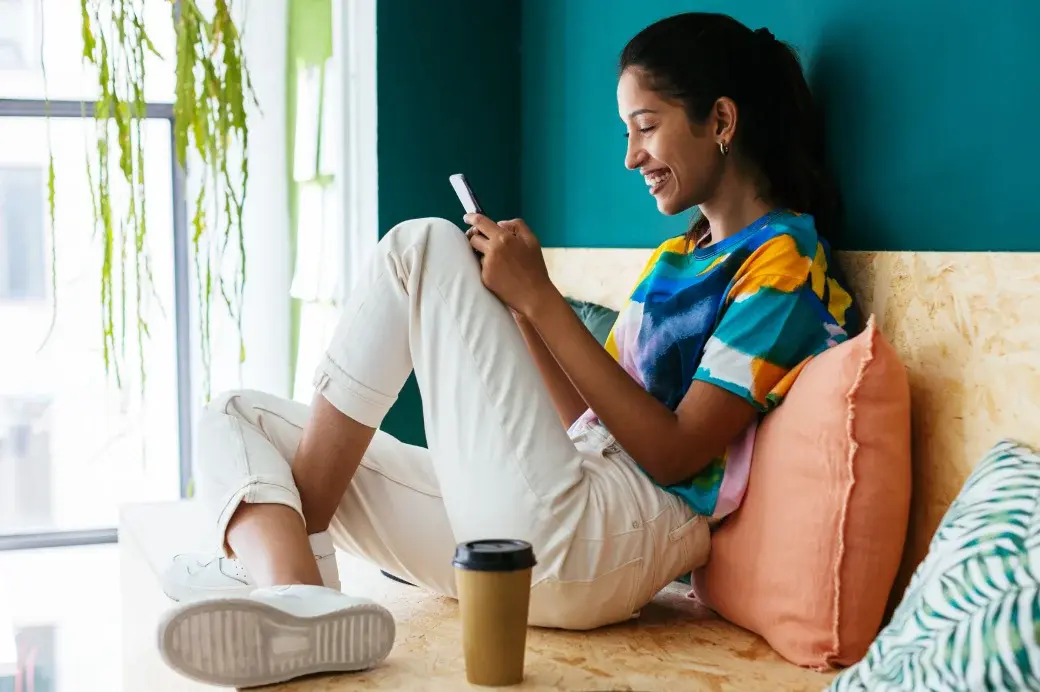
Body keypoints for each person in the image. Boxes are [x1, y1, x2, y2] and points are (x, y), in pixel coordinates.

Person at [156, 11, 861, 689]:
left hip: (619, 535)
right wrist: (525, 307)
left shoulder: (784, 267)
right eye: (627, 131)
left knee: (421, 246)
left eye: (646, 127)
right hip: (563, 505)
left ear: (722, 121)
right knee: (238, 414)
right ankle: (292, 597)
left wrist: (542, 301)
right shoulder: (680, 256)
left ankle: (268, 575)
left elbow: (676, 454)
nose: (630, 156)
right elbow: (584, 421)